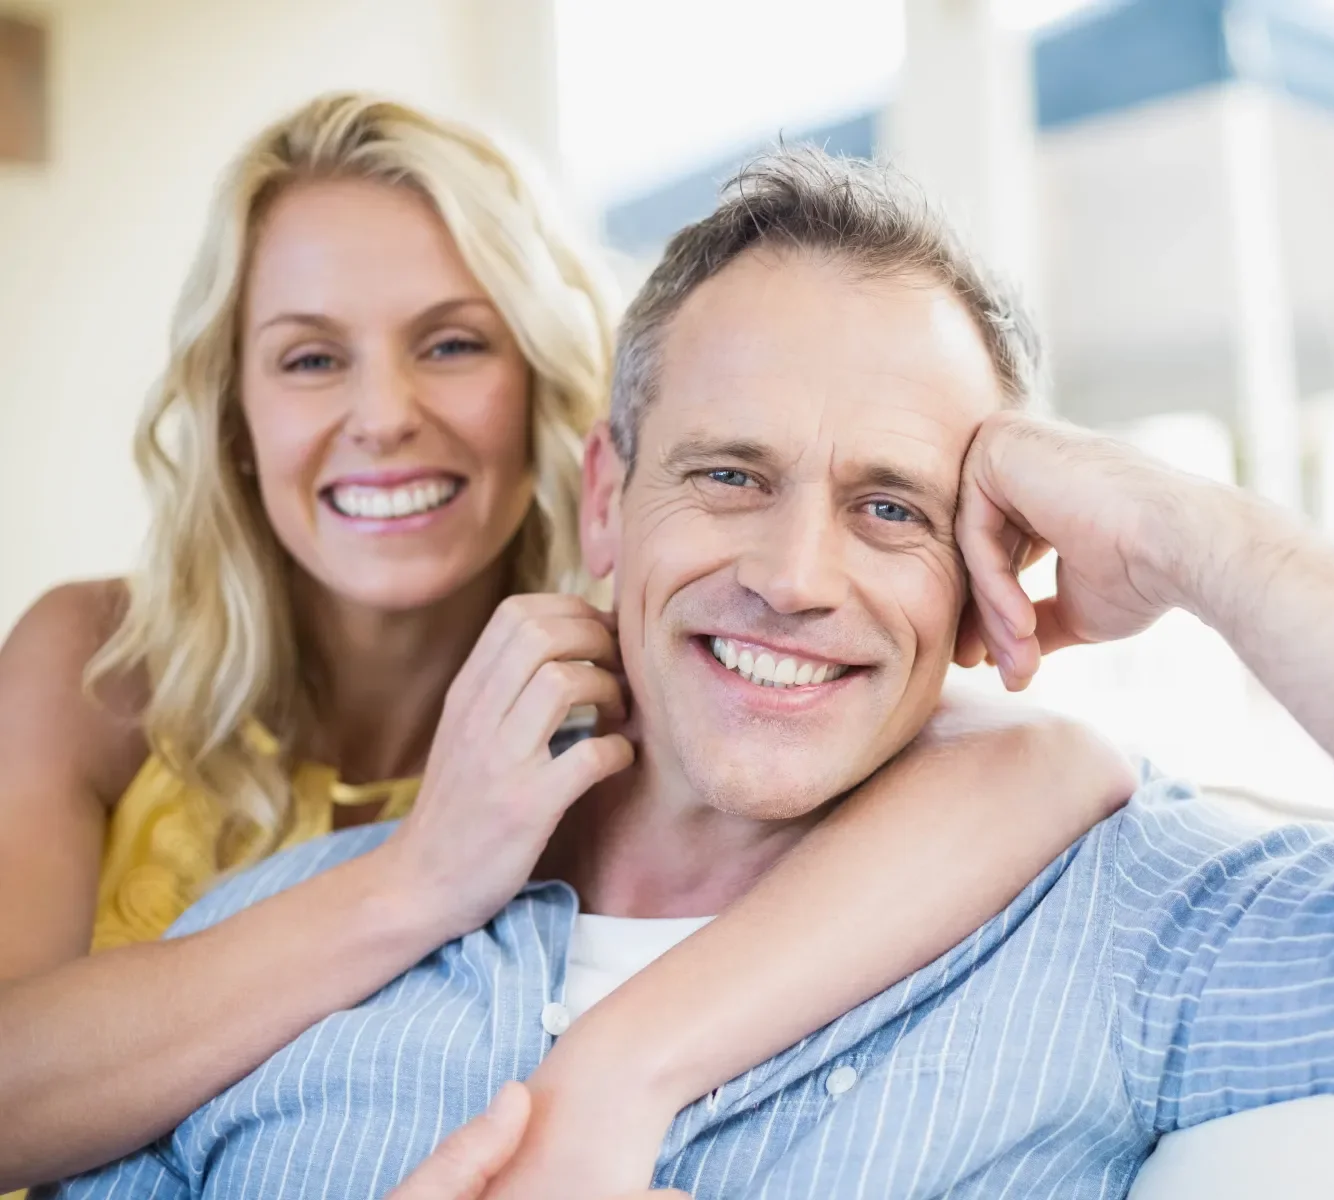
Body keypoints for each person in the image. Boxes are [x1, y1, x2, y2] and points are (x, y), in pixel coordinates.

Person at [47, 149, 1334, 1200]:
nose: (795, 576)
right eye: (729, 473)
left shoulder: (1121, 931)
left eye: (890, 506)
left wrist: (1213, 543)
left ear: (986, 570)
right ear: (605, 498)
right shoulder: (273, 941)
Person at [0, 96, 1137, 1194]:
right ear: (235, 412)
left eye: (450, 345)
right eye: (309, 359)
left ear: (544, 380)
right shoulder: (96, 661)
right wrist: (419, 880)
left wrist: (617, 1074)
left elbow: (1037, 762)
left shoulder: (663, 659)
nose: (384, 413)